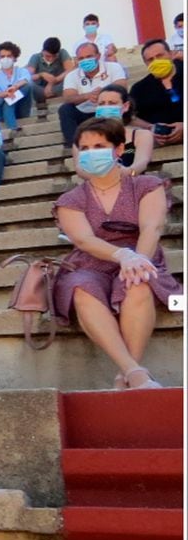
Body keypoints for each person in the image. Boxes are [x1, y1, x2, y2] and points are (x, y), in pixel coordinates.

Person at [52, 118, 180, 389]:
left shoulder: (147, 185)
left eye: (99, 145)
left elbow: (151, 227)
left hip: (142, 252)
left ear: (119, 149)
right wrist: (122, 255)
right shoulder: (70, 200)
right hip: (90, 262)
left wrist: (138, 260)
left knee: (138, 283)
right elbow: (84, 240)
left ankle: (128, 373)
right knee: (80, 288)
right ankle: (135, 373)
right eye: (84, 148)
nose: (90, 153)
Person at [59, 41, 128, 145]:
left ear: (98, 56)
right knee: (65, 109)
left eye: (89, 56)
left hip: (108, 109)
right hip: (84, 112)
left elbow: (122, 86)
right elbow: (68, 97)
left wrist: (103, 93)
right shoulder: (72, 75)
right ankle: (74, 144)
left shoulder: (113, 67)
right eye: (81, 58)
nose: (85, 60)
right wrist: (87, 96)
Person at [77, 85, 154, 176]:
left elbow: (142, 162)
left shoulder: (141, 135)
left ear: (125, 106)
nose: (106, 107)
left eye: (112, 103)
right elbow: (80, 170)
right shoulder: (84, 138)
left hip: (133, 184)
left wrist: (128, 172)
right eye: (101, 104)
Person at [129, 39, 183, 147]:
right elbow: (130, 117)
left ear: (171, 54)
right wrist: (150, 127)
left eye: (160, 56)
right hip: (158, 142)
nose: (156, 61)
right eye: (150, 59)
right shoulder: (139, 89)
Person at [0, 41, 33, 131]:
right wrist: (7, 94)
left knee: (26, 87)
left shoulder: (22, 71)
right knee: (7, 101)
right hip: (2, 109)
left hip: (21, 108)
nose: (6, 59)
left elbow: (26, 79)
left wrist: (15, 87)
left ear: (15, 58)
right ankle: (13, 128)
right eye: (2, 56)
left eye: (9, 56)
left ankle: (13, 127)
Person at [26, 37, 74, 103]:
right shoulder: (35, 57)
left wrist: (53, 81)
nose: (51, 59)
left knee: (72, 78)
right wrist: (41, 75)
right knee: (28, 85)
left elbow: (70, 70)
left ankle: (51, 93)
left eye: (54, 56)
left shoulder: (62, 53)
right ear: (43, 51)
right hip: (40, 90)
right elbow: (27, 77)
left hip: (58, 87)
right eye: (48, 56)